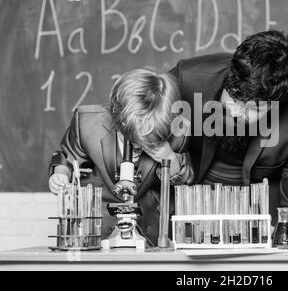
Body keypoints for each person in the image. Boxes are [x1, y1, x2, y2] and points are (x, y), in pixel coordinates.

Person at [169, 30, 288, 232]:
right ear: (231, 75)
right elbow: (137, 116)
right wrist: (165, 153)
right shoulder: (187, 77)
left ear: (278, 104)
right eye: (235, 96)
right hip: (181, 204)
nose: (238, 112)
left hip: (252, 219)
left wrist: (279, 246)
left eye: (255, 108)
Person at [48, 68, 194, 246]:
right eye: (133, 138)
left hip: (151, 228)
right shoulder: (87, 123)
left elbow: (187, 180)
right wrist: (60, 174)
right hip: (96, 225)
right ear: (117, 116)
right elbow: (66, 156)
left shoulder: (178, 132)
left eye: (147, 140)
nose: (138, 146)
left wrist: (168, 157)